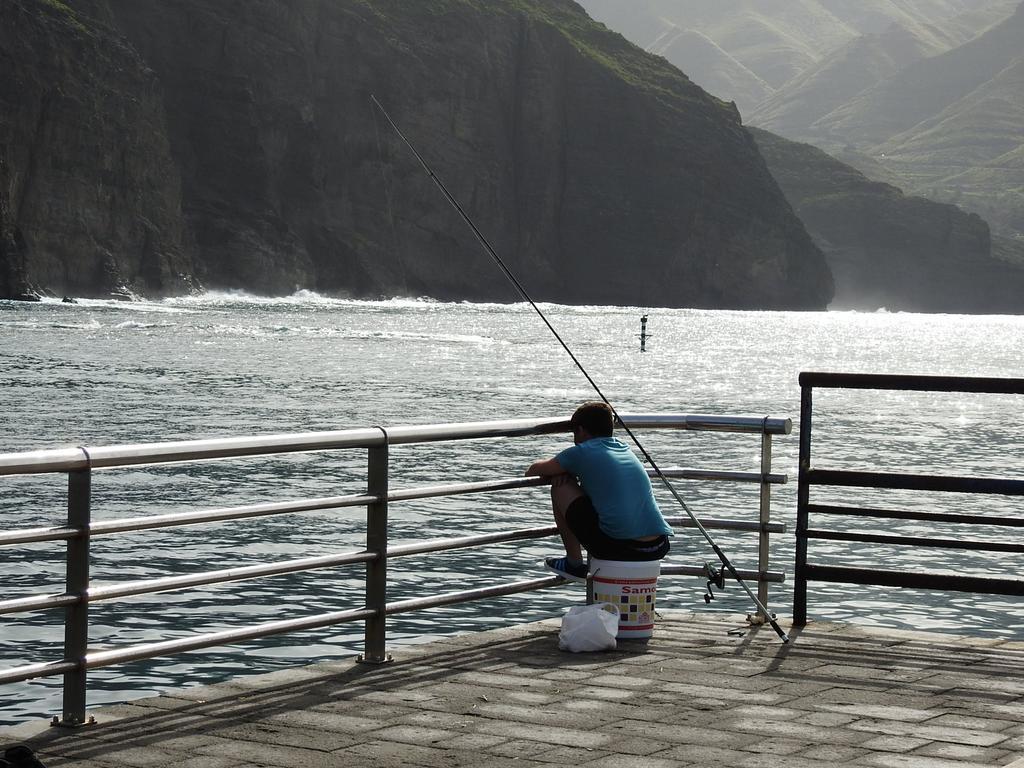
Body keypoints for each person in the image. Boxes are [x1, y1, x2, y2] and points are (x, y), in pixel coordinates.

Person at [525, 401, 672, 582]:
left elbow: (533, 470)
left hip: (621, 548)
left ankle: (574, 563)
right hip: (657, 545)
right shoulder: (624, 448)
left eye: (574, 433)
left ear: (581, 430)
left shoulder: (581, 452)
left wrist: (563, 473)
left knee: (560, 488)